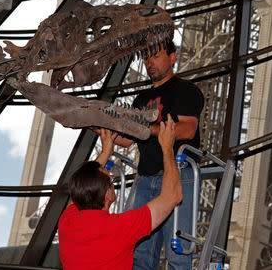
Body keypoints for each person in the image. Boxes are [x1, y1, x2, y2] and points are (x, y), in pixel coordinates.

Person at [114, 39, 204, 270]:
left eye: (156, 56)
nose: (149, 62)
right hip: (145, 178)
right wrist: (101, 126)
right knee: (139, 252)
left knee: (178, 253)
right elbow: (127, 140)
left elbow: (187, 129)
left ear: (173, 58)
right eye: (146, 57)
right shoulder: (141, 100)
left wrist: (145, 129)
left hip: (179, 176)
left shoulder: (186, 90)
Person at [58, 115, 182, 270]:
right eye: (111, 181)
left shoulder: (67, 223)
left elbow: (80, 191)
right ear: (108, 195)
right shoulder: (119, 228)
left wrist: (106, 152)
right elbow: (173, 195)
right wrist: (167, 148)